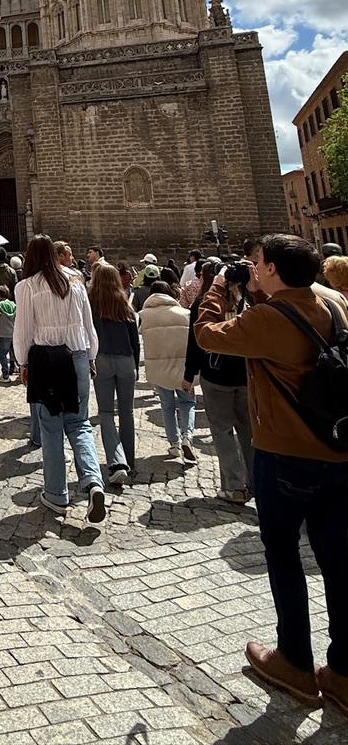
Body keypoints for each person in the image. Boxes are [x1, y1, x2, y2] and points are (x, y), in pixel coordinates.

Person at [196, 234, 348, 714]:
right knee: (339, 564)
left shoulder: (265, 319)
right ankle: (344, 673)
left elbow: (207, 333)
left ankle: (294, 662)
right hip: (339, 451)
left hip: (285, 456)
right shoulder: (337, 306)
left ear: (274, 269)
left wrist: (218, 286)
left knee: (283, 556)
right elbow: (290, 324)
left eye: (258, 262)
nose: (252, 266)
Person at [14, 235, 105, 522]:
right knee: (79, 423)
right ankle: (93, 482)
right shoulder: (75, 282)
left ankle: (56, 493)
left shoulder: (27, 286)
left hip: (47, 360)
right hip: (78, 356)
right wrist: (91, 356)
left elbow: (23, 329)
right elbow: (88, 325)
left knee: (51, 427)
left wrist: (23, 362)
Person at [183, 260, 252, 503]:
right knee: (248, 429)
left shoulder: (204, 304)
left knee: (222, 430)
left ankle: (234, 486)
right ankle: (256, 482)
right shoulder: (247, 302)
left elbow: (195, 342)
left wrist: (188, 374)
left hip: (216, 373)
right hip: (244, 373)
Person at [88, 261, 139, 485]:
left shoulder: (91, 305)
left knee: (106, 413)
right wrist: (135, 365)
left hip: (102, 360)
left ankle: (117, 462)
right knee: (127, 412)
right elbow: (135, 340)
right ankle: (129, 460)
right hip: (126, 359)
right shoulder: (125, 305)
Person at [140, 280, 196, 463]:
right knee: (187, 402)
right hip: (183, 368)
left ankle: (174, 444)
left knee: (167, 406)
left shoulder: (145, 315)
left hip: (160, 368)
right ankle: (187, 435)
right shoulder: (185, 313)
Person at [0, 285, 16, 382]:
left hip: (3, 333)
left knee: (3, 355)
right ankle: (21, 372)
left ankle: (5, 375)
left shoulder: (0, 305)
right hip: (12, 332)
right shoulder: (13, 305)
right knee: (14, 353)